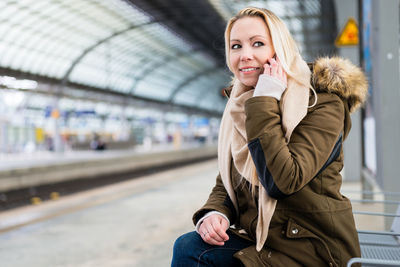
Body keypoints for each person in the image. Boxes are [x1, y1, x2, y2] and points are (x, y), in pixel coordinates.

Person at [172, 7, 367, 267]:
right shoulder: (242, 104)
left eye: (258, 44)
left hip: (312, 247)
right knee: (189, 246)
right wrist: (213, 213)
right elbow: (229, 179)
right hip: (263, 239)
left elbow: (284, 181)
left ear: (280, 49)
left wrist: (265, 100)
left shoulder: (323, 103)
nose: (245, 55)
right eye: (236, 46)